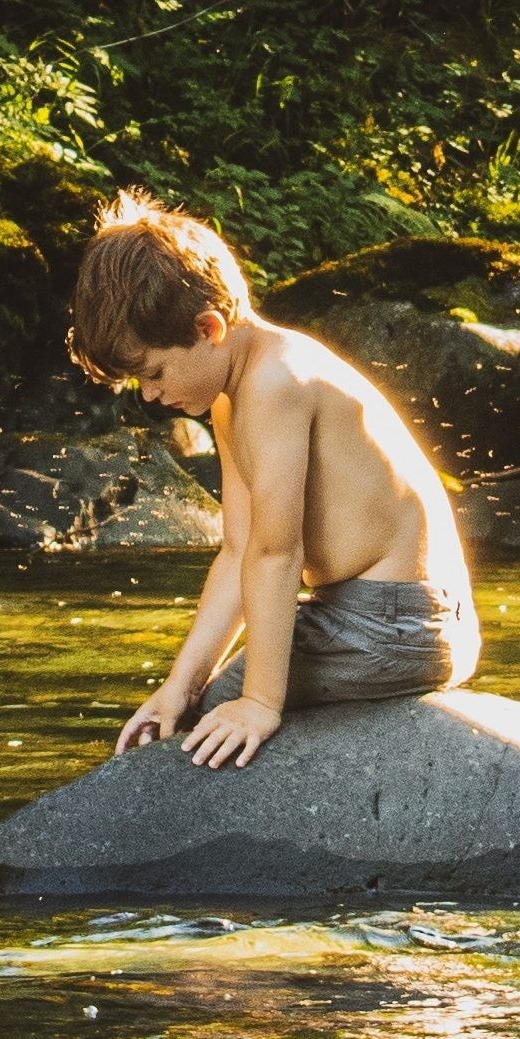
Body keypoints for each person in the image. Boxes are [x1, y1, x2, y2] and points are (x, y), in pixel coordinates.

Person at [67, 192, 479, 770]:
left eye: (154, 372)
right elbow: (239, 550)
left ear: (208, 327)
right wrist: (179, 685)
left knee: (213, 725)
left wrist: (260, 702)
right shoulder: (235, 393)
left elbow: (278, 551)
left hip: (396, 622)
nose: (151, 396)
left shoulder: (275, 383)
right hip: (377, 614)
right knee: (190, 709)